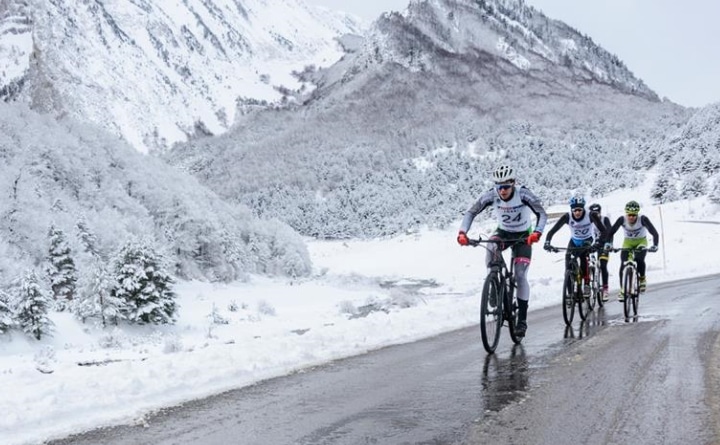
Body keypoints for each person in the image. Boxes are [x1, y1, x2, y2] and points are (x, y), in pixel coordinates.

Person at [456, 165, 548, 338]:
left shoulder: (524, 194)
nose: (502, 191)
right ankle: (494, 284)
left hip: (523, 236)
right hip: (504, 233)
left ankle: (521, 321)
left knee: (520, 275)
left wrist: (537, 233)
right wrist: (462, 232)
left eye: (506, 186)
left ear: (513, 183)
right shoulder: (491, 195)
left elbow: (542, 214)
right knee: (491, 245)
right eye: (499, 187)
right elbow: (471, 212)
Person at [543, 196, 607, 298]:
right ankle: (570, 294)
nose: (577, 213)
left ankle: (586, 284)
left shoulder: (591, 215)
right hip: (574, 241)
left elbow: (604, 231)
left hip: (587, 239)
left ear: (583, 209)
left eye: (579, 210)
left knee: (583, 256)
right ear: (571, 210)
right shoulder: (567, 217)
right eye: (575, 210)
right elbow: (552, 231)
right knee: (567, 264)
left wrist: (598, 243)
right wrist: (547, 242)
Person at [605, 200, 660, 301]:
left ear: (637, 214)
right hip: (628, 242)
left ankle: (642, 279)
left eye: (634, 215)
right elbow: (611, 232)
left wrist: (655, 245)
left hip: (641, 242)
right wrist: (608, 244)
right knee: (623, 263)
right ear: (626, 214)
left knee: (639, 259)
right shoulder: (622, 219)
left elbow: (654, 233)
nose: (631, 217)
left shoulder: (643, 219)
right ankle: (622, 290)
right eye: (629, 215)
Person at [589, 203, 612, 301]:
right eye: (594, 213)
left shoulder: (605, 219)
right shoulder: (588, 221)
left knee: (603, 265)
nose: (596, 214)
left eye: (597, 212)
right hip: (593, 244)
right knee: (587, 263)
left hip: (603, 245)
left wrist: (609, 244)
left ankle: (605, 288)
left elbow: (610, 232)